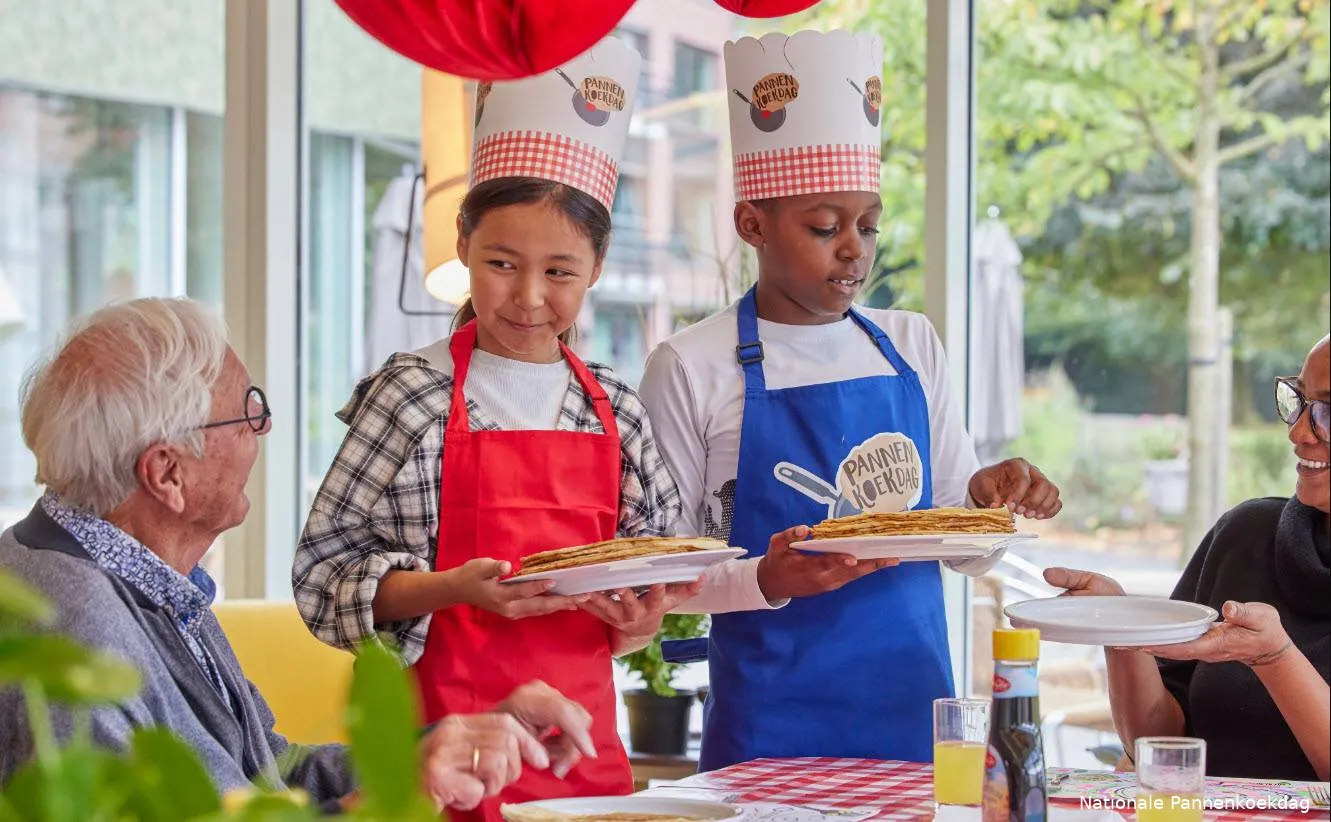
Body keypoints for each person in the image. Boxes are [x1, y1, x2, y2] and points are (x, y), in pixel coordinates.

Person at [639, 29, 1063, 771]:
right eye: (823, 227)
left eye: (867, 225)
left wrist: (989, 499)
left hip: (914, 717)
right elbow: (665, 574)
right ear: (751, 225)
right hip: (767, 729)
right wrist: (768, 578)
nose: (854, 250)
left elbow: (965, 547)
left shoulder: (909, 342)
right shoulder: (688, 364)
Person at [292, 37, 692, 819]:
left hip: (583, 766)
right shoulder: (411, 395)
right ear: (462, 244)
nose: (529, 297)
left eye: (560, 272)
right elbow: (318, 580)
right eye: (502, 264)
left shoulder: (613, 405)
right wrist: (450, 589)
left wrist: (638, 616)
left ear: (597, 266)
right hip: (437, 762)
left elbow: (656, 565)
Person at [0, 298, 598, 813]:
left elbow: (270, 775)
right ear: (167, 473)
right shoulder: (71, 629)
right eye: (247, 412)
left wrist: (453, 742)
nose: (263, 430)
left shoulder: (153, 581)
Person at [1046, 335, 1330, 782]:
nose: (1297, 432)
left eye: (1328, 414)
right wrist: (1123, 629)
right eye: (1299, 401)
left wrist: (1275, 658)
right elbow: (1157, 742)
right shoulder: (1247, 534)